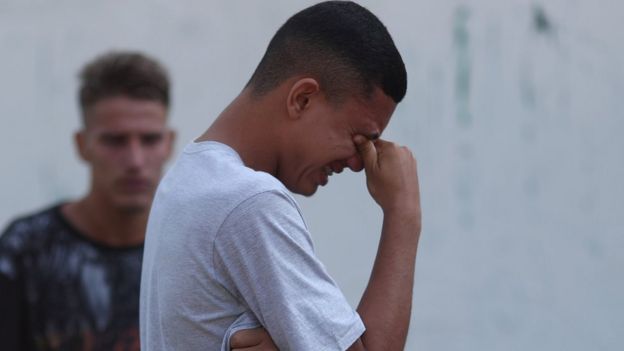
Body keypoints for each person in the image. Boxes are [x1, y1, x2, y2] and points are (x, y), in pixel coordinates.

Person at [140, 1, 421, 350]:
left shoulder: (185, 180)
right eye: (357, 137)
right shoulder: (248, 201)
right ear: (302, 99)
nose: (358, 163)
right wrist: (403, 213)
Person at [0, 51, 175, 350]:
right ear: (82, 145)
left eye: (149, 139)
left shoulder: (196, 246)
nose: (135, 160)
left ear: (169, 143)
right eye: (114, 140)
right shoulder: (26, 248)